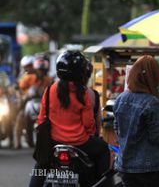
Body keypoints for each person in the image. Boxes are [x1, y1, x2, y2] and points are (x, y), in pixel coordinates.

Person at [29, 51, 110, 186]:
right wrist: (92, 136)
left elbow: (42, 119)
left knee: (40, 166)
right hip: (80, 143)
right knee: (103, 148)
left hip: (54, 142)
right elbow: (88, 123)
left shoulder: (49, 90)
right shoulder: (83, 93)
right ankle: (100, 182)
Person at [113, 55, 159, 187]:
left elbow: (117, 130)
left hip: (125, 167)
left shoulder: (120, 98)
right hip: (150, 169)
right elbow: (157, 138)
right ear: (154, 77)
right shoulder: (151, 102)